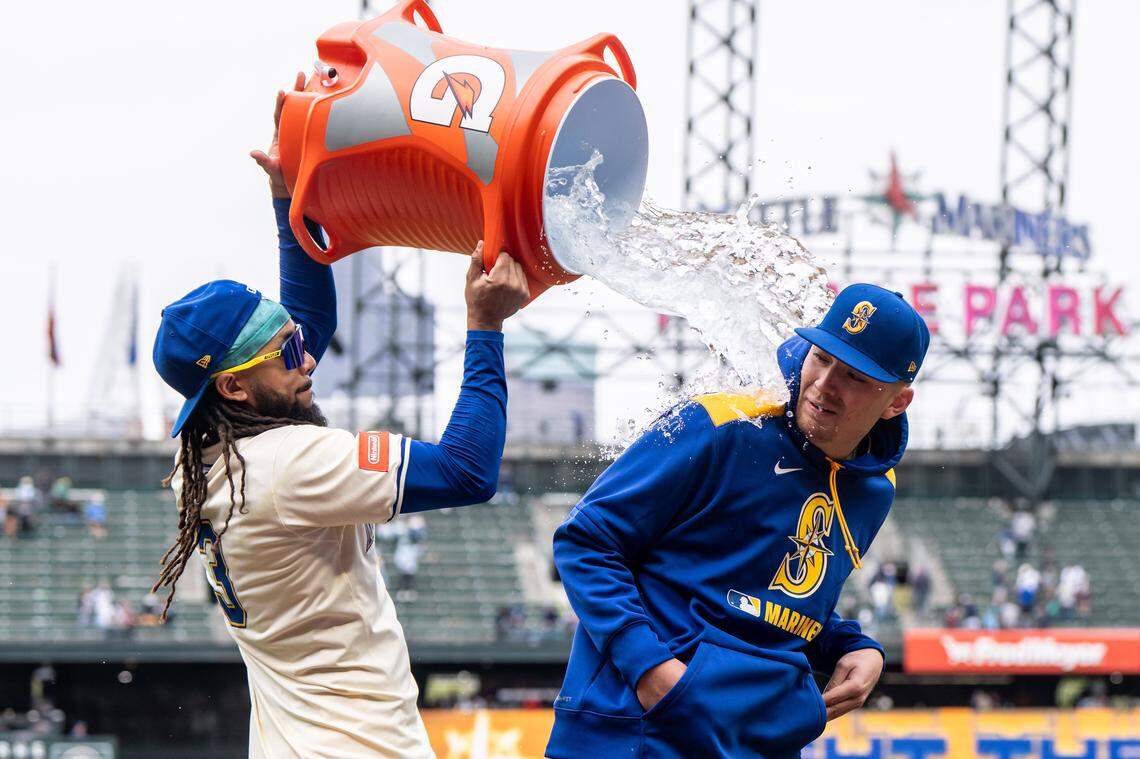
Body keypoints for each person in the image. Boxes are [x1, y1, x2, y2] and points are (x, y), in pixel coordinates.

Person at [150, 75, 530, 758]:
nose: (307, 357)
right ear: (235, 389)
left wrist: (287, 198)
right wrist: (485, 326)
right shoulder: (286, 465)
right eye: (287, 351)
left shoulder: (212, 462)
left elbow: (313, 321)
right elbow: (470, 471)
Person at [548, 284, 929, 758]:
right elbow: (585, 542)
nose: (825, 385)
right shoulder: (721, 426)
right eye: (823, 357)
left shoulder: (876, 489)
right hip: (635, 730)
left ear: (897, 402)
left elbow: (776, 598)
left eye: (854, 377)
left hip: (756, 741)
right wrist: (650, 670)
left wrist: (850, 646)